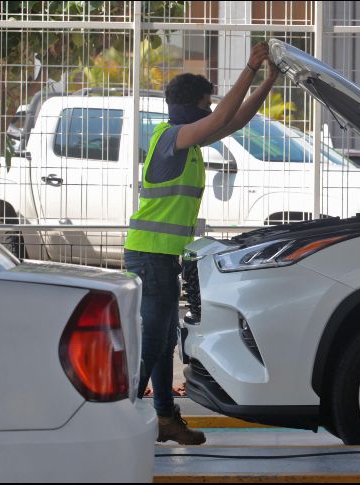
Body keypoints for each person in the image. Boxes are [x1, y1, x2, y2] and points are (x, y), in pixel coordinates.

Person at [124, 42, 279, 445]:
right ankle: (117, 423)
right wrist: (249, 68)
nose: (212, 111)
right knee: (154, 341)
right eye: (206, 105)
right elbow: (224, 116)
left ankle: (163, 419)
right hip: (150, 258)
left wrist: (268, 81)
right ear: (190, 107)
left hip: (160, 258)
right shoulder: (171, 139)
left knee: (161, 343)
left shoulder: (187, 142)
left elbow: (236, 120)